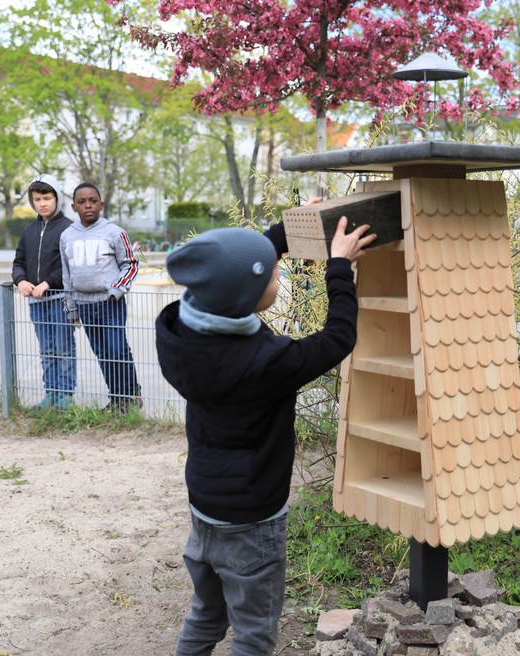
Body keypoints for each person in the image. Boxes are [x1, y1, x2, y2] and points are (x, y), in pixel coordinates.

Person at [156, 211, 375, 656]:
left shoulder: (179, 328)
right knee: (254, 633)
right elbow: (337, 338)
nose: (280, 275)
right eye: (276, 274)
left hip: (206, 503)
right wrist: (339, 266)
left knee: (207, 613)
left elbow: (236, 269)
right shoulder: (266, 363)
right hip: (253, 517)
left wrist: (289, 232)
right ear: (249, 294)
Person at [59, 182, 142, 412]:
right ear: (74, 207)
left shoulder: (115, 232)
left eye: (93, 201)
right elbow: (67, 275)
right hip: (84, 305)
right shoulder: (67, 236)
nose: (88, 205)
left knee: (117, 350)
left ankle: (131, 396)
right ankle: (117, 399)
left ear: (101, 205)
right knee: (103, 354)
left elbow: (131, 265)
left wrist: (117, 290)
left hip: (110, 303)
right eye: (82, 202)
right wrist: (71, 308)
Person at [12, 174, 76, 409]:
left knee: (63, 347)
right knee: (47, 348)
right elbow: (18, 261)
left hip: (59, 299)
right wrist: (21, 281)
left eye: (47, 197)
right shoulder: (29, 230)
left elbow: (70, 265)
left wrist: (48, 282)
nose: (42, 203)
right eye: (37, 199)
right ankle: (51, 393)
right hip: (36, 303)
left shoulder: (69, 229)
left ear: (57, 197)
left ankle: (66, 395)